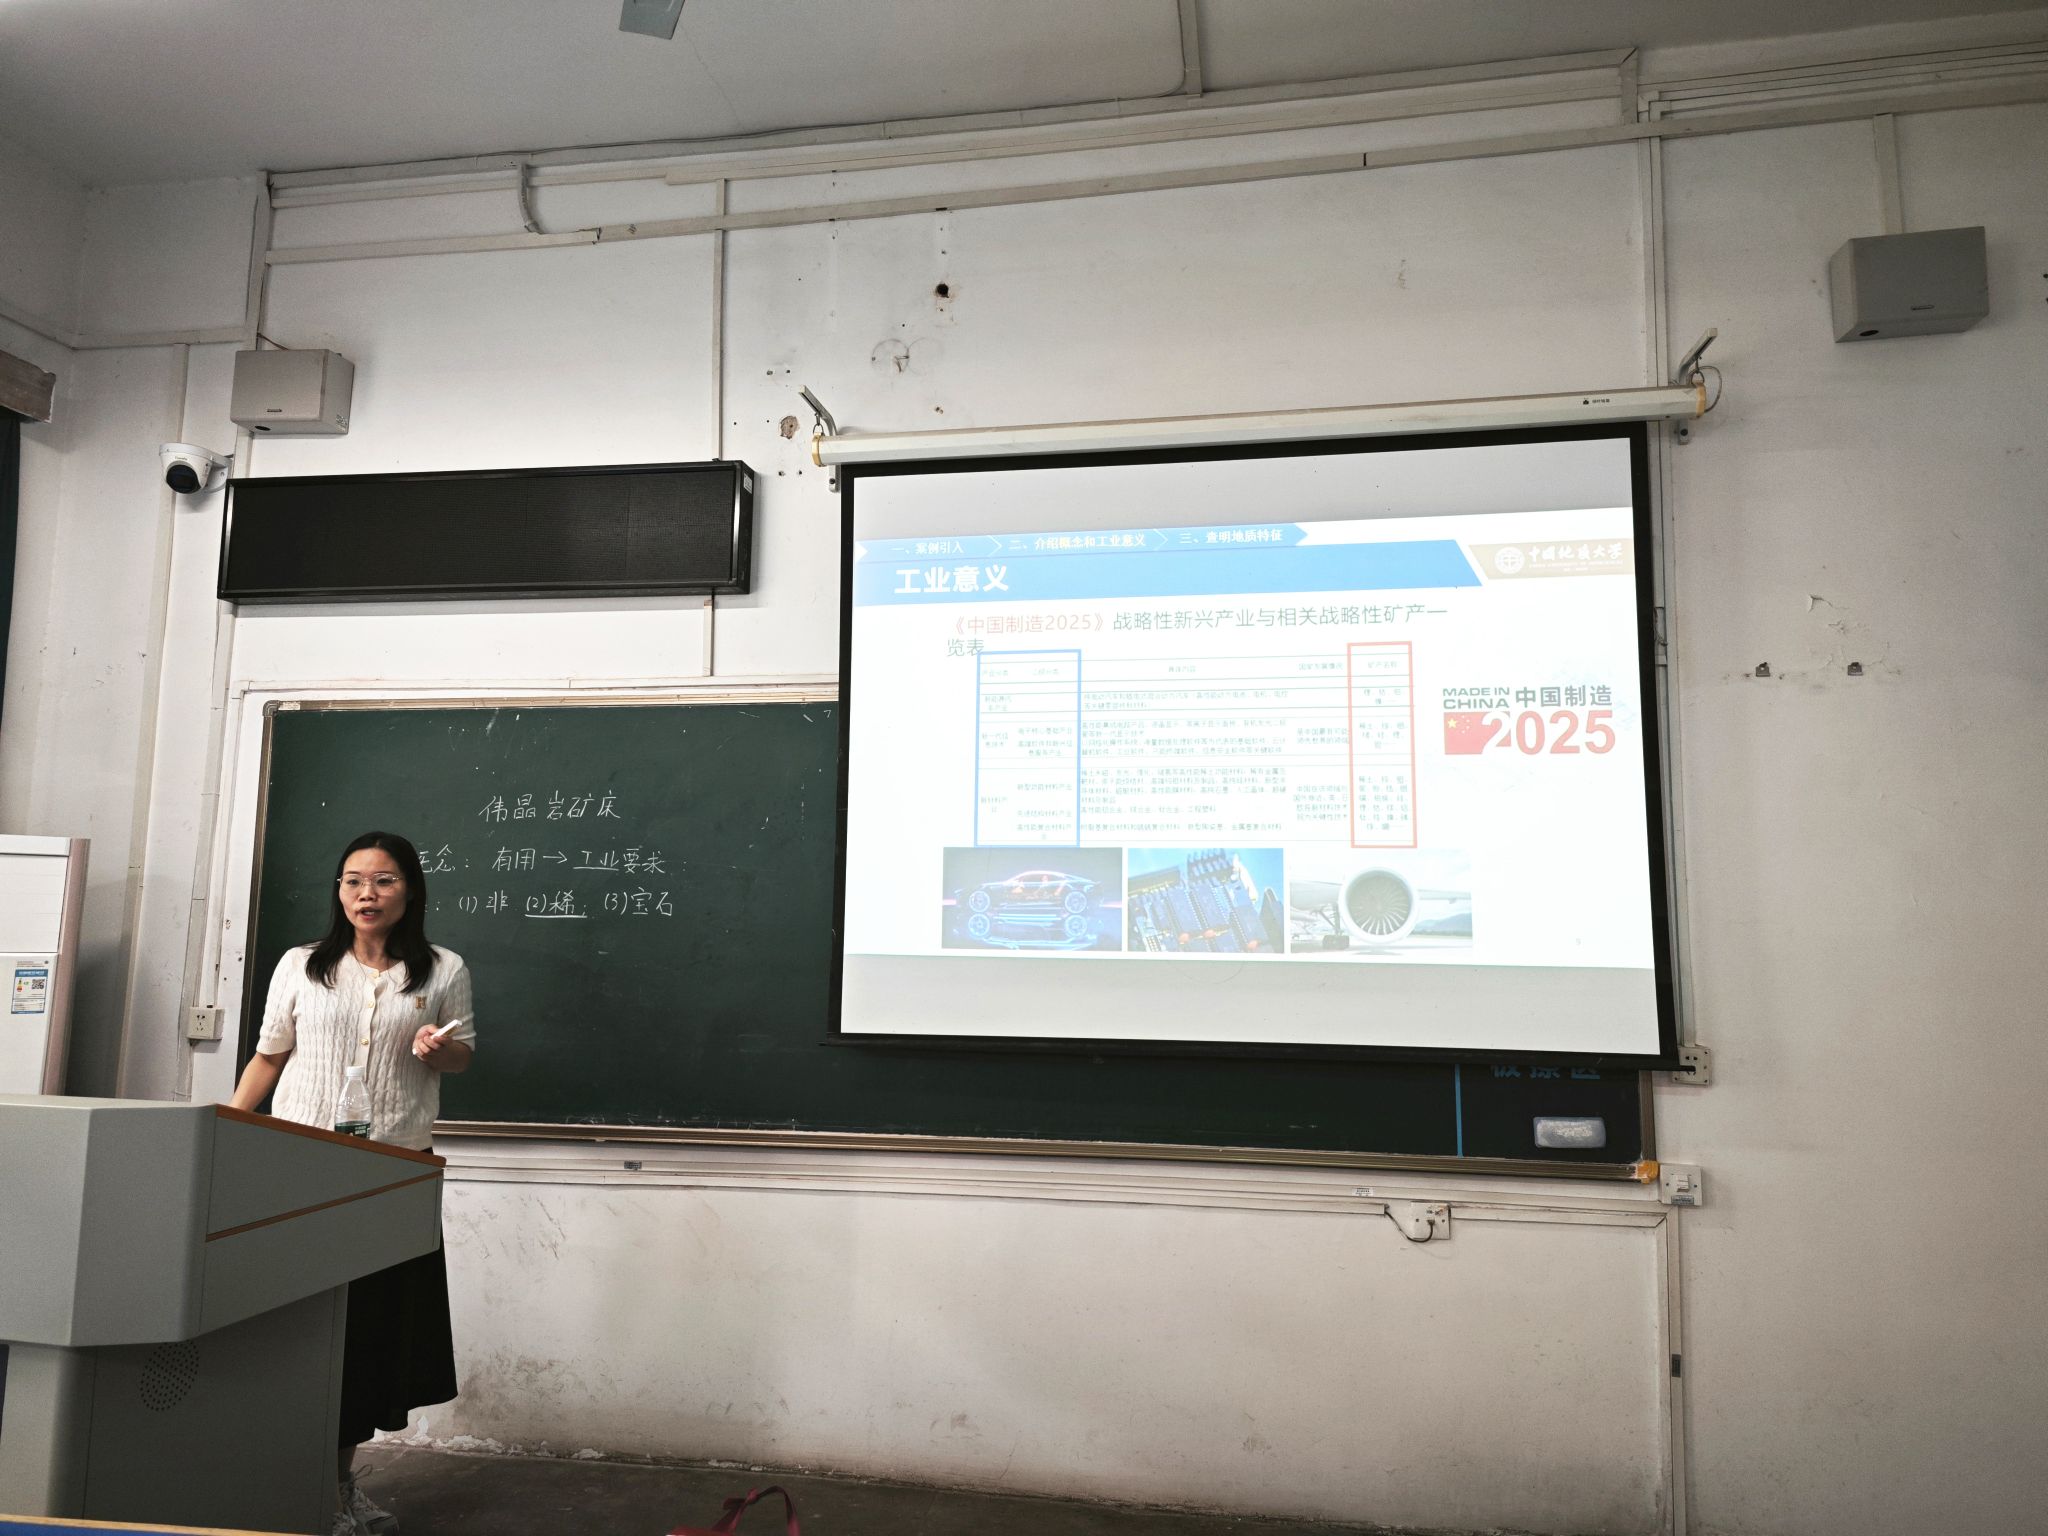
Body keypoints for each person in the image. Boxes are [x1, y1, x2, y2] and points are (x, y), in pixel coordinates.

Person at [228, 830, 477, 1536]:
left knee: (368, 1336)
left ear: (410, 890)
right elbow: (268, 1057)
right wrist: (228, 1132)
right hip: (302, 1164)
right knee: (296, 1328)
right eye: (353, 880)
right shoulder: (302, 965)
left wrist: (437, 1048)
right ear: (339, 891)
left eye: (384, 880)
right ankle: (284, 1484)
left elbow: (461, 1057)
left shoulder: (442, 969)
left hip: (392, 1172)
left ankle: (337, 1489)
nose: (367, 893)